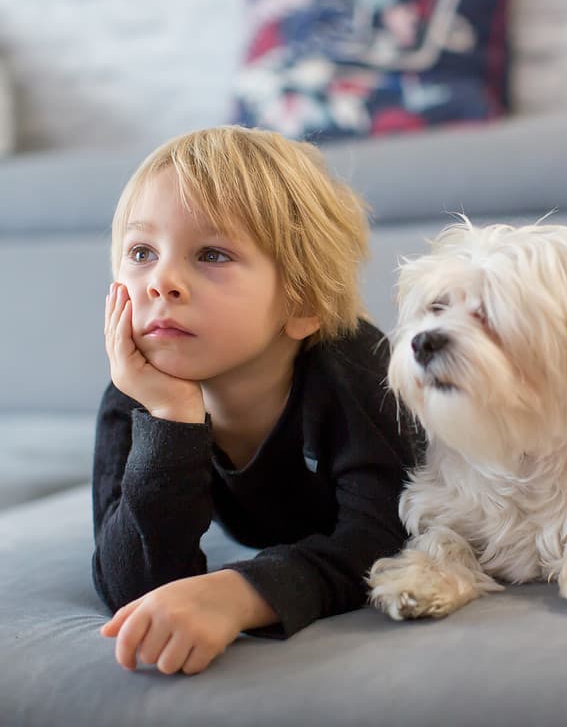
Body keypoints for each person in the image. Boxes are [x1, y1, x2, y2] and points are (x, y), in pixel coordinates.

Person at [93, 125, 421, 675]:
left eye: (212, 254)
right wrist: (171, 419)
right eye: (142, 251)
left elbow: (388, 537)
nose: (161, 281)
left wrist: (242, 592)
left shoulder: (355, 369)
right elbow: (133, 588)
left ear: (301, 303)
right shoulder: (135, 394)